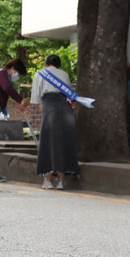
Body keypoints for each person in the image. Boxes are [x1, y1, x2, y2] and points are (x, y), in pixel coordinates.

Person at [30, 54, 80, 189]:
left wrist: (45, 112)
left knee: (48, 141)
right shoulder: (65, 74)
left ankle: (48, 180)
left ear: (46, 64)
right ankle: (61, 181)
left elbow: (36, 99)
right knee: (63, 141)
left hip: (49, 106)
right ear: (59, 65)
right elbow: (70, 96)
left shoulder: (39, 74)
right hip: (65, 109)